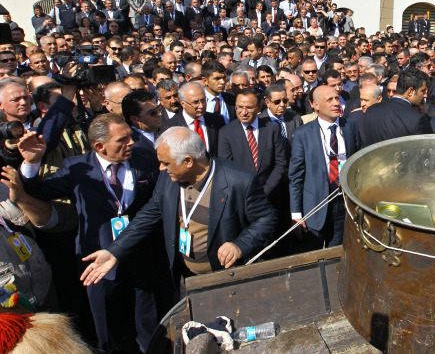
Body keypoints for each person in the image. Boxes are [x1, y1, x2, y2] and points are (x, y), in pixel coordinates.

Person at [13, 114, 166, 353]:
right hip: (96, 260)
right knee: (107, 327)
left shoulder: (145, 159)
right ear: (99, 146)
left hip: (140, 255)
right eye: (122, 139)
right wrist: (32, 164)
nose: (132, 143)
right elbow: (38, 191)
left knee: (147, 323)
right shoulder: (77, 168)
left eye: (130, 136)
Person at [79, 127, 278, 283]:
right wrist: (114, 251)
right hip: (185, 277)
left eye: (166, 163)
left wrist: (240, 244)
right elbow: (148, 216)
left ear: (189, 161)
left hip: (224, 277)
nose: (161, 168)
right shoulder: (168, 180)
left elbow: (266, 218)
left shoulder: (239, 181)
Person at [289, 86, 361, 250]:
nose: (336, 103)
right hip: (315, 206)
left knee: (339, 252)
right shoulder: (303, 134)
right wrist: (296, 215)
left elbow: (359, 164)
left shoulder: (350, 126)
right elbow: (296, 177)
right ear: (315, 105)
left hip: (344, 204)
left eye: (337, 98)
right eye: (329, 100)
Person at [363, 67, 433, 146]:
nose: (425, 95)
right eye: (422, 91)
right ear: (410, 91)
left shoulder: (372, 110)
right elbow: (426, 150)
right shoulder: (417, 119)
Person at [162, 81, 225, 157]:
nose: (201, 106)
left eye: (203, 100)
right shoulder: (170, 127)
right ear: (183, 104)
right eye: (195, 102)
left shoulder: (217, 120)